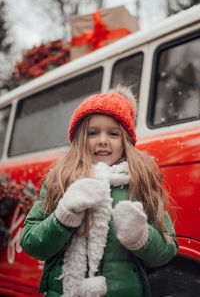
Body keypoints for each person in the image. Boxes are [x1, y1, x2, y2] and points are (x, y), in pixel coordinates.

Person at [20, 85, 179, 297]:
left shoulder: (140, 183)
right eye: (93, 132)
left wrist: (142, 237)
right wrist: (63, 217)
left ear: (125, 142)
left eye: (113, 133)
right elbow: (32, 243)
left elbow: (166, 250)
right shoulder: (61, 180)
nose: (102, 140)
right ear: (79, 139)